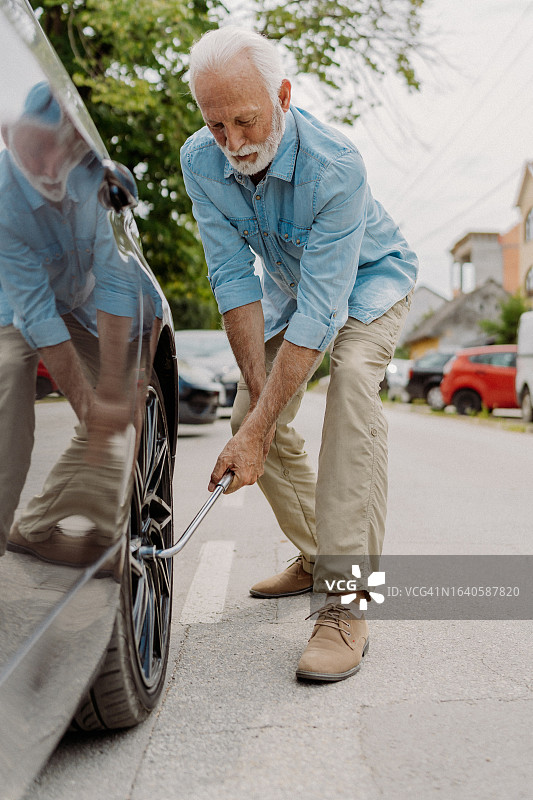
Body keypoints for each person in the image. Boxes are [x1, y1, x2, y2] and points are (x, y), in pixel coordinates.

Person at [180, 26, 418, 682]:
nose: (232, 144)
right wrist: (257, 417)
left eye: (246, 120)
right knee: (244, 420)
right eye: (216, 125)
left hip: (371, 282)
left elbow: (326, 311)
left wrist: (262, 426)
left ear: (282, 96)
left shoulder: (334, 164)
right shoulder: (199, 161)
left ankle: (349, 601)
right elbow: (233, 282)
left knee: (349, 388)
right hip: (295, 293)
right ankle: (318, 556)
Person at [0, 82, 149, 562]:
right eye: (35, 148)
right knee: (8, 390)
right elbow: (36, 314)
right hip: (11, 308)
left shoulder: (103, 181)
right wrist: (89, 406)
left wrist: (109, 398)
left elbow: (116, 285)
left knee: (124, 397)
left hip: (79, 304)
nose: (47, 167)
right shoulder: (3, 199)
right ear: (10, 137)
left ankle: (40, 528)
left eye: (59, 149)